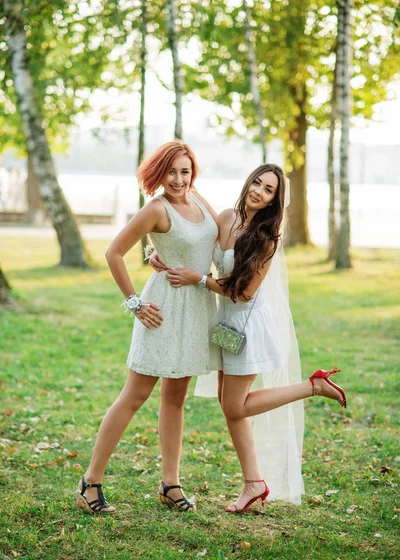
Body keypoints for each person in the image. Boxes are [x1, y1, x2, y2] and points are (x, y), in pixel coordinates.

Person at [153, 163, 347, 512]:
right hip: (224, 326)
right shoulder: (226, 217)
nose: (258, 191)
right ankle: (254, 484)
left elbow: (242, 293)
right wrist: (158, 255)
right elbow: (192, 240)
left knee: (233, 405)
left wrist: (197, 279)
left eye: (268, 189)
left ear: (275, 201)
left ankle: (312, 387)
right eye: (257, 182)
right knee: (232, 410)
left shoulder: (266, 240)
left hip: (248, 325)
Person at [76, 141, 221, 514]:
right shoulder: (156, 208)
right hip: (162, 309)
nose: (178, 179)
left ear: (193, 172)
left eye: (185, 171)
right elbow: (113, 253)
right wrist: (135, 303)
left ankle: (170, 484)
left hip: (196, 309)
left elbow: (203, 243)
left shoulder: (200, 201)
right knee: (134, 396)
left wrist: (158, 255)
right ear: (160, 172)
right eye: (171, 171)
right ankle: (89, 483)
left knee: (175, 399)